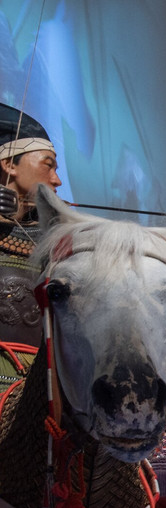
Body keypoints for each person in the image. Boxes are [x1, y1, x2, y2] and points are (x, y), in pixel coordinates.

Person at [0, 104, 63, 384]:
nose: (57, 180)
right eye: (47, 166)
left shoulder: (55, 237)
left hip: (38, 384)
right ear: (9, 164)